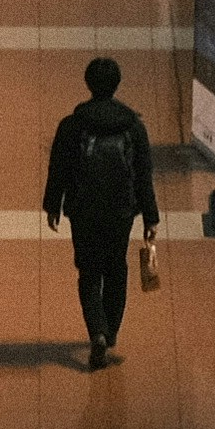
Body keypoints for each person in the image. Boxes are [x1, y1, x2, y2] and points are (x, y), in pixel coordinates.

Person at [40, 56, 158, 370]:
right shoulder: (132, 125)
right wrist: (151, 216)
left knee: (89, 271)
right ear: (117, 84)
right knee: (116, 269)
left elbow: (58, 168)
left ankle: (97, 332)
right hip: (121, 209)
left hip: (83, 209)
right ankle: (111, 329)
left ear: (88, 83)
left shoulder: (73, 125)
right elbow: (144, 173)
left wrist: (52, 205)